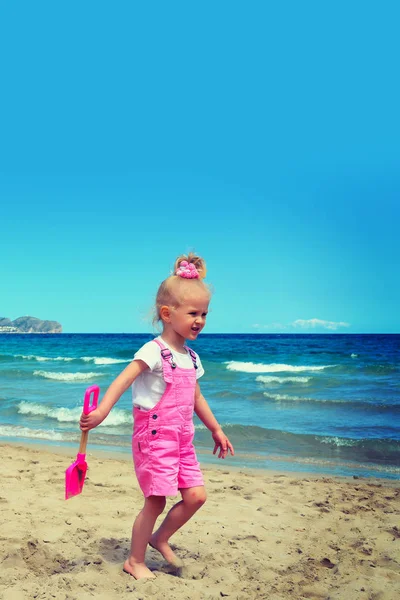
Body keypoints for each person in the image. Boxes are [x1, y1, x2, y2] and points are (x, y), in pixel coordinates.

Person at [80, 253, 234, 580]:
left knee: (196, 496)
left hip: (182, 440)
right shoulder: (154, 351)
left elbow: (196, 397)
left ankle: (160, 538)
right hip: (154, 439)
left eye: (204, 313)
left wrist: (217, 429)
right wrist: (102, 411)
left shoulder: (191, 357)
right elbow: (124, 378)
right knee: (155, 501)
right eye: (193, 313)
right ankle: (134, 561)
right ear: (168, 313)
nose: (200, 320)